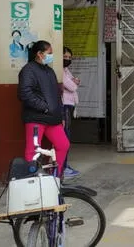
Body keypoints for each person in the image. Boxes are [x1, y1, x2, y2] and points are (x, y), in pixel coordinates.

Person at [18, 41, 69, 177]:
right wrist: (45, 108)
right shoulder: (28, 70)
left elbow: (57, 95)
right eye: (49, 53)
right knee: (32, 151)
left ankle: (55, 177)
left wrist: (61, 116)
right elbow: (25, 94)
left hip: (53, 119)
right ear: (39, 54)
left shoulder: (49, 71)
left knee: (63, 145)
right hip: (36, 119)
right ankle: (31, 180)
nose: (51, 56)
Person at [61, 46, 81, 178]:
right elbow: (72, 86)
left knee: (66, 136)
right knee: (65, 137)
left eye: (69, 57)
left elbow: (74, 83)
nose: (67, 59)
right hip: (64, 106)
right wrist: (74, 83)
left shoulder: (66, 70)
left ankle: (65, 165)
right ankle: (63, 167)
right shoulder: (60, 71)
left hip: (70, 104)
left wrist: (74, 82)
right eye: (65, 57)